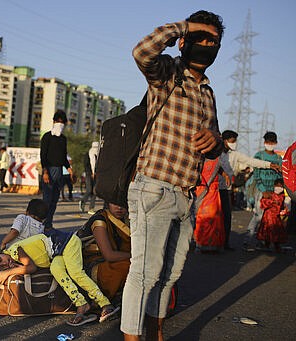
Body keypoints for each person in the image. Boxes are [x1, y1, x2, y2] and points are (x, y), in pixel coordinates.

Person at [122, 11, 224, 340]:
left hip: (186, 196)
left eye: (214, 42)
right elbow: (142, 51)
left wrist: (216, 143)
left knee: (170, 275)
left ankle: (156, 332)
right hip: (154, 187)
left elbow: (216, 141)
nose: (207, 45)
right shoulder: (167, 73)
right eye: (201, 38)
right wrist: (184, 27)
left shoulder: (208, 94)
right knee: (145, 273)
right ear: (184, 42)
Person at [0, 232, 120, 326]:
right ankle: (82, 304)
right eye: (1, 267)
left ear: (0, 252)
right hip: (56, 254)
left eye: (0, 259)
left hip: (67, 242)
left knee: (76, 273)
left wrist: (7, 273)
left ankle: (105, 304)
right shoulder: (13, 259)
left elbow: (31, 267)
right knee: (56, 270)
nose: (4, 263)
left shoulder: (15, 249)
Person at [219, 130, 280, 249]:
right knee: (213, 216)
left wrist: (269, 165)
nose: (234, 143)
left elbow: (251, 161)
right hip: (213, 189)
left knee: (227, 217)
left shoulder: (235, 155)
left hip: (227, 189)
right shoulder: (217, 153)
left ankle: (224, 243)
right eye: (233, 141)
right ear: (225, 141)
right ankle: (209, 242)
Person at [79, 202, 131, 301]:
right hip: (92, 265)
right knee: (129, 267)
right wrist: (135, 256)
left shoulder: (127, 219)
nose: (119, 207)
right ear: (108, 203)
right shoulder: (100, 220)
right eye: (114, 202)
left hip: (117, 259)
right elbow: (109, 255)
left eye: (123, 203)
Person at [243, 131, 283, 251]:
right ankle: (248, 240)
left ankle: (268, 240)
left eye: (272, 142)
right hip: (262, 191)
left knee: (273, 217)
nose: (269, 144)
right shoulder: (259, 156)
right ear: (264, 142)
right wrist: (264, 190)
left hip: (275, 192)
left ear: (275, 143)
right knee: (259, 216)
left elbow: (280, 175)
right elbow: (257, 175)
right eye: (267, 142)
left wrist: (278, 191)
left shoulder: (277, 158)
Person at [40, 110, 75, 229]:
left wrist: (69, 169)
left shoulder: (63, 139)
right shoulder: (46, 137)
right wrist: (45, 172)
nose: (60, 124)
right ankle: (41, 224)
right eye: (58, 122)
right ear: (54, 122)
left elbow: (63, 157)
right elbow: (43, 156)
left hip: (59, 171)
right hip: (48, 171)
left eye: (62, 123)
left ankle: (48, 224)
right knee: (47, 200)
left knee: (54, 200)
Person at [194, 158, 226, 252]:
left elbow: (218, 168)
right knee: (202, 217)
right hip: (202, 189)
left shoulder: (216, 158)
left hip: (213, 192)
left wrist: (225, 175)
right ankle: (200, 244)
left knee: (214, 218)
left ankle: (215, 244)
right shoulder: (199, 156)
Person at [256, 178, 288, 253]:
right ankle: (267, 245)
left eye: (280, 186)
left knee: (276, 232)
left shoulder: (282, 196)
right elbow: (263, 203)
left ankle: (277, 246)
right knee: (268, 231)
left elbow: (281, 207)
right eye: (277, 186)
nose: (278, 188)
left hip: (276, 218)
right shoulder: (270, 195)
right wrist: (272, 202)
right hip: (268, 217)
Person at [79, 142, 99, 215]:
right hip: (89, 174)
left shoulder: (98, 155)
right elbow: (86, 165)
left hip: (96, 175)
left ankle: (91, 208)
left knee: (94, 191)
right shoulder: (88, 154)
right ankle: (83, 201)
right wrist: (91, 173)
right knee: (89, 190)